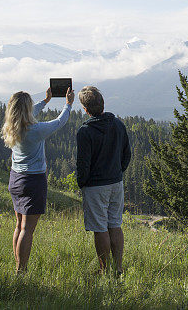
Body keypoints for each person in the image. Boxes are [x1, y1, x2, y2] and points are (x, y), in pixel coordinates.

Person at [1, 86, 74, 272]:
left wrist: (45, 101)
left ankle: (18, 265)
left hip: (16, 179)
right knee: (28, 230)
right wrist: (68, 104)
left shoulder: (12, 127)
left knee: (19, 226)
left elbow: (30, 113)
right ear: (27, 110)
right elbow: (59, 122)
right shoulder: (36, 130)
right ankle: (21, 270)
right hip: (33, 181)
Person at [76, 85, 131, 276]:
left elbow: (83, 164)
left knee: (100, 229)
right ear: (103, 104)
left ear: (85, 109)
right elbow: (127, 154)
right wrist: (118, 172)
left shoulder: (85, 131)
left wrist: (82, 182)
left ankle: (104, 270)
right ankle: (118, 268)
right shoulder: (118, 124)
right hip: (116, 183)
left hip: (95, 187)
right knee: (115, 224)